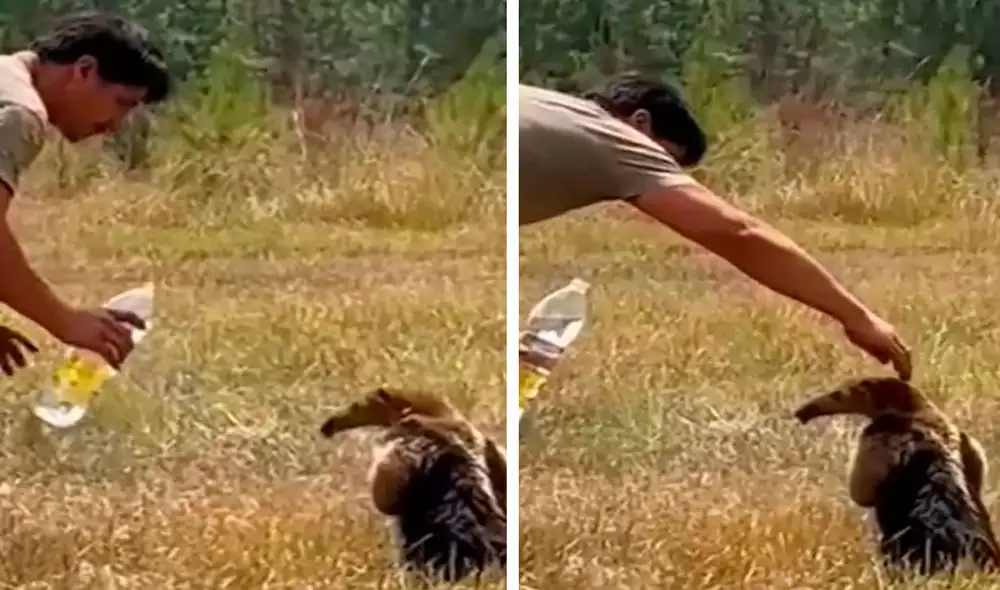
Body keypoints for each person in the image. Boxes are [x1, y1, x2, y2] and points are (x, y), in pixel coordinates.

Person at [519, 74, 913, 380]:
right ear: (640, 122)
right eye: (667, 160)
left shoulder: (546, 103)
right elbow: (736, 233)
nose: (660, 172)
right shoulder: (621, 141)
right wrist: (856, 316)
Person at [0, 11, 172, 376]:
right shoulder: (19, 114)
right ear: (84, 71)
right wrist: (65, 321)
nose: (115, 125)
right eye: (122, 103)